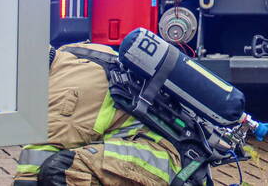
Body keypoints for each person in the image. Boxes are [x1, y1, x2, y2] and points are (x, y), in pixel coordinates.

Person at [14, 42, 183, 186]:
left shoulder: (67, 92)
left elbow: (31, 166)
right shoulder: (68, 55)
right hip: (143, 154)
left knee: (61, 169)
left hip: (162, 163)